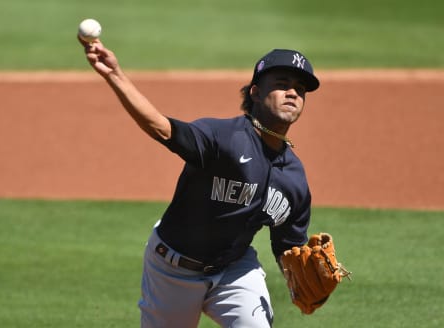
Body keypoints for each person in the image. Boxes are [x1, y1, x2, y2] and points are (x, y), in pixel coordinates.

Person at [78, 36, 320, 328]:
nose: (292, 93)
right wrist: (116, 75)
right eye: (282, 84)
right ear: (255, 92)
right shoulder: (223, 137)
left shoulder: (294, 178)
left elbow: (288, 246)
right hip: (172, 270)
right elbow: (161, 128)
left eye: (300, 89)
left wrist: (304, 274)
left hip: (234, 269)